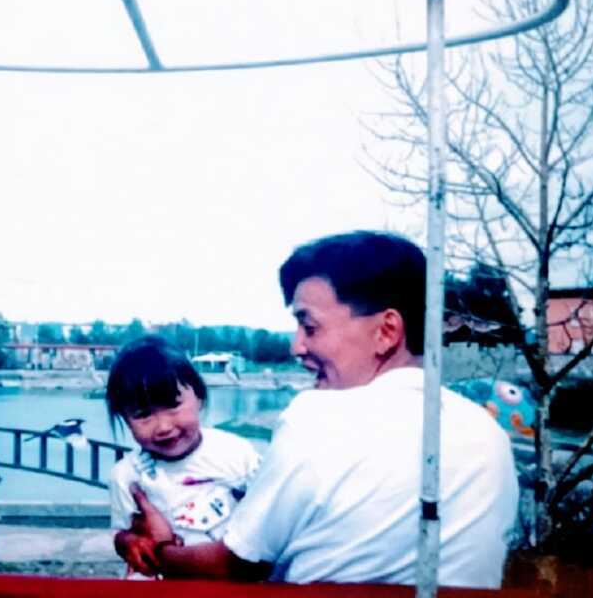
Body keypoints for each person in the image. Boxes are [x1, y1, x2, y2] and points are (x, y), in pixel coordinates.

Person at [120, 231, 519, 588]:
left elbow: (236, 566)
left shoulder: (321, 419)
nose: (296, 347)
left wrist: (163, 549)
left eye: (309, 327)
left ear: (386, 331)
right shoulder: (489, 436)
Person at [106, 335, 260, 577]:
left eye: (173, 405)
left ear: (198, 396)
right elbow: (122, 532)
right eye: (143, 414)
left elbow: (265, 519)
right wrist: (128, 543)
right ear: (125, 420)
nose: (163, 426)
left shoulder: (238, 453)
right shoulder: (126, 476)